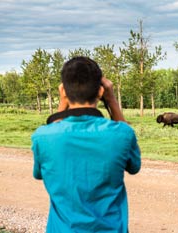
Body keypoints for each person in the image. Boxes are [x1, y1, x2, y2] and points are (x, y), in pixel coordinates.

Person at [32, 56, 141, 232]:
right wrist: (111, 99)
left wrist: (62, 103)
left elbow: (39, 174)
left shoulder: (43, 136)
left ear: (64, 91)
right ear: (100, 91)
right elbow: (134, 166)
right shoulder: (122, 134)